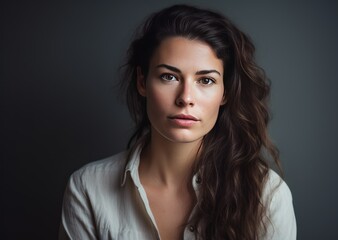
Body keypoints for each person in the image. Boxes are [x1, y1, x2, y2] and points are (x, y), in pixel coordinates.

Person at [59, 4, 296, 240]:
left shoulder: (267, 196)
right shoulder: (88, 188)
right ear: (142, 82)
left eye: (205, 81)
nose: (185, 98)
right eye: (169, 77)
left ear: (225, 92)